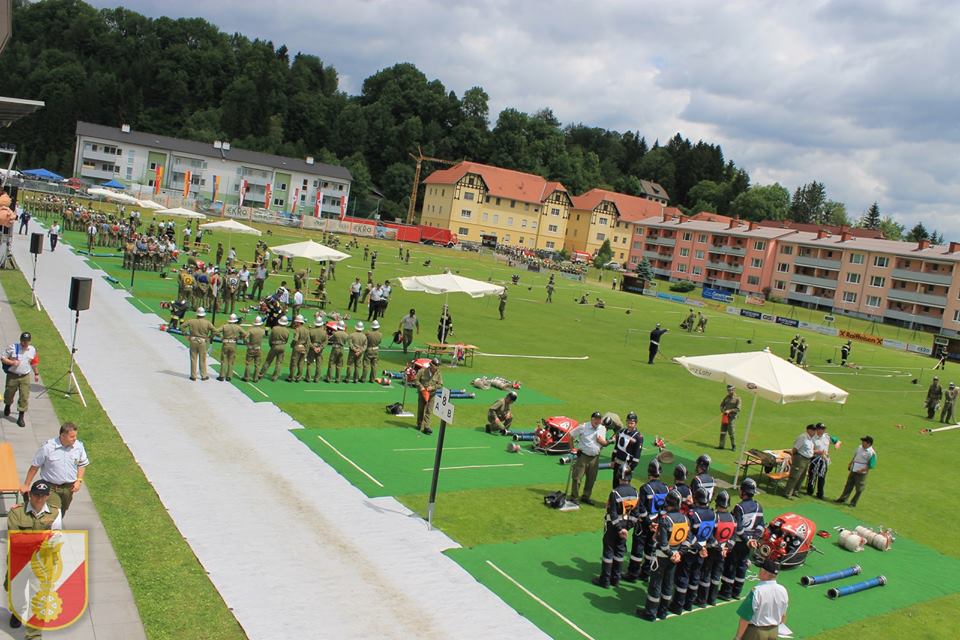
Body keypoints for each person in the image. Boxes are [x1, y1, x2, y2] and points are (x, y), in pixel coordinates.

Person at [6, 480, 62, 632]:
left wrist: (31, 540)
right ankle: (17, 613)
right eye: (36, 495)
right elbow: (15, 539)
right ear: (30, 494)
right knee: (16, 592)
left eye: (43, 495)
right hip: (19, 561)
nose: (39, 499)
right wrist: (42, 538)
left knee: (38, 593)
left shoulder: (55, 513)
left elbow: (56, 538)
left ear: (48, 496)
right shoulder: (16, 512)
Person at [636, 490, 689, 621]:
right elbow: (686, 540)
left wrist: (670, 553)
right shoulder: (685, 519)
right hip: (675, 557)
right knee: (668, 584)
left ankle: (650, 613)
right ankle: (663, 611)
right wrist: (678, 554)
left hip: (662, 557)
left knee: (655, 584)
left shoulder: (666, 520)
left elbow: (664, 544)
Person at [21, 422, 89, 516]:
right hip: (51, 487)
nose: (75, 439)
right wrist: (26, 485)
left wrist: (79, 480)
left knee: (62, 511)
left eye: (75, 436)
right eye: (72, 436)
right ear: (63, 436)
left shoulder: (79, 446)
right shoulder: (48, 447)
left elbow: (82, 464)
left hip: (69, 488)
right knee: (54, 512)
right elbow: (35, 467)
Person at [624, 459, 669, 583]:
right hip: (657, 523)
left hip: (644, 524)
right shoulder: (666, 488)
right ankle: (646, 573)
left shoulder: (645, 488)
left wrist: (649, 522)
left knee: (638, 548)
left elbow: (641, 508)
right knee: (651, 548)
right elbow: (665, 508)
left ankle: (633, 573)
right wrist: (657, 523)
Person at [719, 478, 765, 601]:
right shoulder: (758, 507)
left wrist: (746, 539)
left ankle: (726, 592)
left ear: (743, 492)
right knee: (742, 566)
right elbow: (761, 526)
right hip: (749, 544)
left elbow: (738, 528)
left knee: (731, 565)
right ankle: (737, 591)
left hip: (739, 542)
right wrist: (754, 539)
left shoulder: (739, 507)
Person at [593, 468, 639, 588]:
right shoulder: (635, 493)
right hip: (625, 525)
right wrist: (626, 528)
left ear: (619, 478)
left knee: (608, 550)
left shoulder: (615, 493)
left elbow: (612, 513)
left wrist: (619, 528)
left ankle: (605, 580)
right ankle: (616, 579)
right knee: (620, 551)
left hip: (613, 526)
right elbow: (635, 514)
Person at [673, 487, 716, 614]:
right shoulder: (712, 514)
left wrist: (697, 546)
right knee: (695, 576)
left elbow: (689, 534)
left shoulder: (692, 514)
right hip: (703, 549)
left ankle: (678, 605)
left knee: (683, 576)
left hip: (691, 549)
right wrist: (704, 547)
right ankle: (689, 603)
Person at [696, 489, 736, 607]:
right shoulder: (732, 518)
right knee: (716, 574)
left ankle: (702, 600)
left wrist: (718, 547)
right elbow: (733, 536)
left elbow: (709, 534)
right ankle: (712, 599)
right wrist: (727, 548)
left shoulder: (714, 517)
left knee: (706, 573)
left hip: (712, 550)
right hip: (723, 551)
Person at [734, 559, 788, 640]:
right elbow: (783, 615)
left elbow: (745, 618)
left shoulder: (757, 591)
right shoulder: (783, 590)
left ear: (764, 573)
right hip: (774, 632)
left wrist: (738, 637)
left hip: (756, 633)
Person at [568, 411, 609, 506]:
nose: (597, 421)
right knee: (577, 478)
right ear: (591, 419)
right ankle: (574, 497)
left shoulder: (602, 428)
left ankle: (586, 497)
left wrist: (602, 443)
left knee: (591, 479)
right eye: (595, 419)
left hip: (595, 458)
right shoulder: (583, 427)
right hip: (583, 456)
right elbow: (571, 435)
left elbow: (603, 443)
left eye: (599, 419)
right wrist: (572, 448)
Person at [3, 331, 39, 427]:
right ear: (20, 340)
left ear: (29, 341)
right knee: (9, 393)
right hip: (12, 376)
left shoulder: (32, 350)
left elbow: (34, 363)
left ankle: (21, 417)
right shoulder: (13, 347)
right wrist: (12, 362)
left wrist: (36, 374)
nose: (24, 343)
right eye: (23, 341)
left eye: (26, 341)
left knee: (24, 396)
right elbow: (2, 358)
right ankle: (7, 405)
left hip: (25, 376)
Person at [835, 435, 877, 507]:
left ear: (868, 443)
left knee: (859, 489)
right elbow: (855, 456)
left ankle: (853, 503)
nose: (862, 442)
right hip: (854, 469)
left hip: (862, 473)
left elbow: (871, 465)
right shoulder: (860, 447)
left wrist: (862, 470)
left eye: (864, 441)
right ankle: (843, 499)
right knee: (848, 485)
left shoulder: (872, 453)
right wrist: (850, 463)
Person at [806, 422, 840, 499]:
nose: (822, 430)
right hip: (815, 459)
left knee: (822, 476)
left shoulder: (827, 436)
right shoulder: (812, 438)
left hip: (824, 459)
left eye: (823, 429)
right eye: (820, 429)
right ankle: (809, 491)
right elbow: (809, 450)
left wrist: (837, 445)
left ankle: (820, 494)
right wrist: (818, 452)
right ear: (817, 429)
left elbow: (838, 441)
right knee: (812, 475)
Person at [182, 308, 217, 381]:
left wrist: (186, 335)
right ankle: (203, 376)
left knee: (193, 359)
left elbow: (182, 326)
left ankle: (193, 376)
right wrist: (210, 337)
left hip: (193, 340)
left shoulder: (191, 321)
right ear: (204, 315)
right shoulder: (207, 323)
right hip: (202, 342)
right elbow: (215, 331)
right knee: (202, 359)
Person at [783, 423, 817, 499]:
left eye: (815, 430)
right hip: (800, 458)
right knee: (794, 476)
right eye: (813, 430)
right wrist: (792, 458)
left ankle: (795, 491)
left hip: (807, 460)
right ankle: (787, 493)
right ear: (808, 430)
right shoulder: (803, 437)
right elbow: (795, 449)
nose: (814, 432)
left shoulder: (810, 439)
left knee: (802, 477)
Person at [611, 411, 643, 486]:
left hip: (627, 466)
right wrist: (612, 460)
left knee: (624, 486)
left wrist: (631, 468)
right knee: (615, 485)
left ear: (635, 423)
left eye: (632, 423)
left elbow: (637, 456)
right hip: (617, 464)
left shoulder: (638, 437)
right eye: (628, 422)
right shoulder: (621, 432)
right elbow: (616, 448)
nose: (629, 425)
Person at [415, 358, 443, 435]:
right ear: (431, 365)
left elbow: (440, 384)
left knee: (429, 410)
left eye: (437, 367)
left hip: (432, 395)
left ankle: (426, 427)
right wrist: (421, 386)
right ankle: (419, 424)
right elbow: (416, 380)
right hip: (422, 393)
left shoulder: (438, 373)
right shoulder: (422, 371)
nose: (436, 368)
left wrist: (433, 387)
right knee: (421, 409)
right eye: (435, 367)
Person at [259, 315, 290, 382]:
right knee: (279, 362)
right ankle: (275, 377)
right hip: (282, 345)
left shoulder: (274, 328)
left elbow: (271, 338)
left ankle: (261, 374)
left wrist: (271, 345)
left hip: (275, 345)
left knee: (268, 361)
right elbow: (286, 340)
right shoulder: (287, 331)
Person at [217, 314, 243, 382]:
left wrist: (221, 336)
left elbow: (216, 331)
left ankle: (221, 376)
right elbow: (245, 334)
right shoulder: (238, 327)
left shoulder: (224, 326)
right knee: (231, 361)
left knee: (223, 361)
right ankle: (229, 376)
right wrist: (238, 338)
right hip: (233, 344)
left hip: (225, 343)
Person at [241, 316, 266, 382]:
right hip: (258, 348)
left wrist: (246, 344)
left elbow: (245, 338)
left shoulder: (251, 330)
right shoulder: (262, 331)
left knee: (248, 363)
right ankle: (255, 378)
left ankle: (246, 377)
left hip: (251, 348)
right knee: (257, 365)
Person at [287, 315, 310, 382]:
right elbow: (308, 341)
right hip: (303, 348)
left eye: (296, 322)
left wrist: (292, 344)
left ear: (299, 322)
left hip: (297, 347)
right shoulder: (306, 330)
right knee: (301, 363)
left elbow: (295, 339)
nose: (295, 323)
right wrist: (306, 349)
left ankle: (291, 377)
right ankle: (299, 377)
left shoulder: (297, 329)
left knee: (293, 363)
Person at [306, 316, 328, 383]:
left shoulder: (311, 331)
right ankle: (317, 379)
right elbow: (326, 342)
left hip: (312, 349)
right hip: (319, 350)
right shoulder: (324, 332)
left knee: (310, 363)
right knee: (318, 365)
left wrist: (314, 347)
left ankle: (308, 378)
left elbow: (308, 341)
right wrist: (320, 348)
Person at [719, 384, 742, 450]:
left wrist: (729, 411)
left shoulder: (737, 398)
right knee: (723, 431)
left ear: (734, 390)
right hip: (725, 416)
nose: (729, 391)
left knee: (731, 432)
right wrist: (722, 410)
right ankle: (721, 446)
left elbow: (738, 409)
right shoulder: (727, 397)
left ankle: (733, 446)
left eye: (730, 390)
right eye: (728, 390)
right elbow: (722, 405)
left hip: (732, 417)